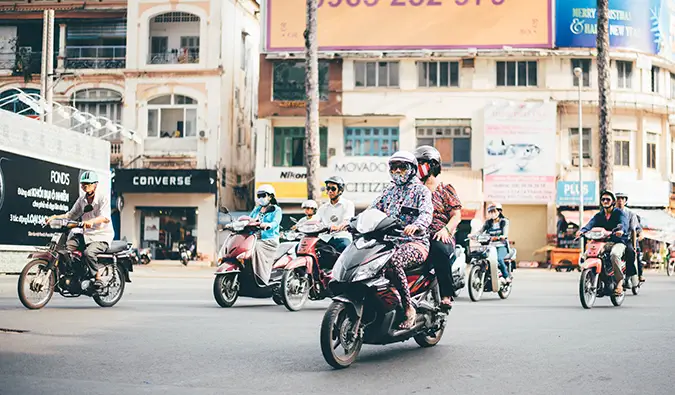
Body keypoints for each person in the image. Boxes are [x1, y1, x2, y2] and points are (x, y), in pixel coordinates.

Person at [370, 151, 433, 329]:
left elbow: (426, 213)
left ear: (412, 169)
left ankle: (408, 308)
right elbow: (372, 210)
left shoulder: (421, 191)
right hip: (388, 243)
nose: (398, 171)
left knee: (394, 261)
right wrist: (351, 221)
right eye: (394, 167)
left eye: (402, 167)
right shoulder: (389, 191)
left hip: (415, 242)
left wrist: (417, 225)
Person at [46, 171, 114, 289]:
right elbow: (70, 215)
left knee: (89, 253)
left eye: (88, 184)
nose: (85, 186)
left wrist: (91, 221)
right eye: (83, 184)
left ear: (95, 185)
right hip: (85, 234)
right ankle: (71, 274)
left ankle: (97, 277)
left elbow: (106, 217)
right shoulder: (81, 200)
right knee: (66, 249)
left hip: (101, 235)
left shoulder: (103, 197)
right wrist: (55, 217)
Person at [414, 145, 462, 310]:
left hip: (439, 233)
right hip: (415, 234)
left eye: (423, 162)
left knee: (439, 249)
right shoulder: (413, 190)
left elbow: (457, 216)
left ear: (433, 165)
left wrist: (445, 230)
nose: (419, 166)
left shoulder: (445, 189)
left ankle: (446, 295)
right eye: (417, 163)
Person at [576, 190, 630, 295]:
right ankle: (598, 280)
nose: (605, 201)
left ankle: (619, 281)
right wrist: (582, 231)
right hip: (602, 242)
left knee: (614, 254)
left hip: (617, 242)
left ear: (613, 202)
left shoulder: (619, 213)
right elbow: (590, 224)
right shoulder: (599, 215)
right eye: (603, 199)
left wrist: (621, 230)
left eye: (608, 199)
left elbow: (623, 223)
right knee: (589, 253)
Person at [249, 184, 283, 285]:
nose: (261, 198)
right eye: (259, 196)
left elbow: (276, 222)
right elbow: (249, 218)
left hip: (269, 239)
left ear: (271, 196)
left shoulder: (276, 209)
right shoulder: (257, 209)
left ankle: (262, 277)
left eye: (263, 195)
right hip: (255, 237)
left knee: (255, 247)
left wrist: (268, 225)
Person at [317, 176, 355, 253]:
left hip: (342, 237)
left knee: (345, 247)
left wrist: (338, 227)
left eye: (333, 189)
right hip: (325, 238)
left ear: (340, 190)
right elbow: (315, 221)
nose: (330, 191)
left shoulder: (348, 204)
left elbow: (346, 221)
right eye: (328, 188)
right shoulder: (323, 208)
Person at [616, 192, 644, 282]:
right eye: (617, 198)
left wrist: (634, 246)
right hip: (613, 238)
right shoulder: (611, 212)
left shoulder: (631, 213)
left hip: (627, 239)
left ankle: (629, 275)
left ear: (625, 201)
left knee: (632, 252)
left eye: (622, 199)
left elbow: (633, 230)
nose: (620, 201)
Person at [480, 203, 512, 283]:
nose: (492, 214)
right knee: (483, 259)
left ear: (499, 211)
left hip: (501, 245)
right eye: (490, 212)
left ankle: (506, 276)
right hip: (490, 246)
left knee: (499, 259)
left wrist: (502, 236)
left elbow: (505, 233)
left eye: (494, 211)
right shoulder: (488, 223)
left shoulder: (504, 221)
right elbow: (480, 231)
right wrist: (473, 235)